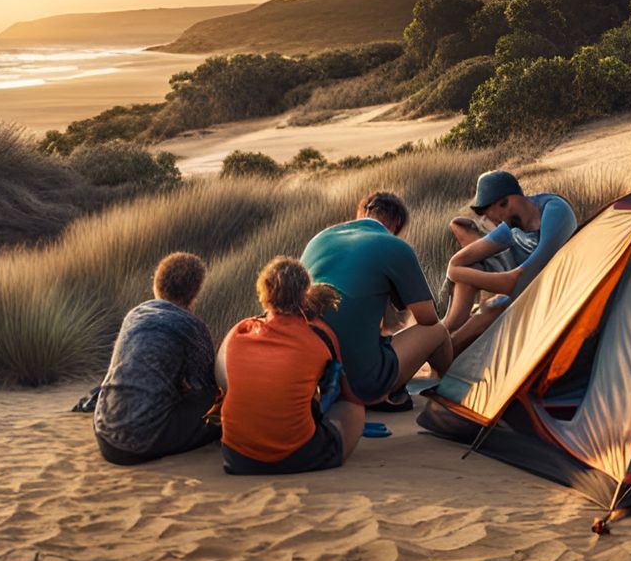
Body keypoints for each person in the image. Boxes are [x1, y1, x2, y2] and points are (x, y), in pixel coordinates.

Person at [300, 191, 452, 404]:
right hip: (359, 383)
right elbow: (428, 319)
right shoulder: (394, 246)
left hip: (313, 374)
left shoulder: (320, 239)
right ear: (397, 223)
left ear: (360, 214)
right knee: (437, 331)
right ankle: (448, 390)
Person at [217, 257, 365, 475]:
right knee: (354, 408)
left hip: (236, 457)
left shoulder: (240, 331)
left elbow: (223, 380)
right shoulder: (319, 338)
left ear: (263, 292)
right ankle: (330, 453)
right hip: (295, 457)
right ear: (305, 293)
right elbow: (347, 392)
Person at [93, 251, 219, 465]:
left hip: (104, 432)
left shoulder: (135, 314)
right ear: (194, 292)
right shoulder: (190, 326)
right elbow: (204, 384)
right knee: (217, 403)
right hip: (141, 442)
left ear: (157, 284)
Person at [443, 170, 578, 352]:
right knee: (471, 269)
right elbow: (459, 262)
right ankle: (446, 330)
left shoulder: (554, 211)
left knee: (493, 308)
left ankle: (445, 351)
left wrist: (457, 271)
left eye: (493, 216)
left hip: (552, 288)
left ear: (506, 202)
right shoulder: (510, 225)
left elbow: (518, 281)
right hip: (520, 284)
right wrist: (457, 270)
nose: (492, 223)